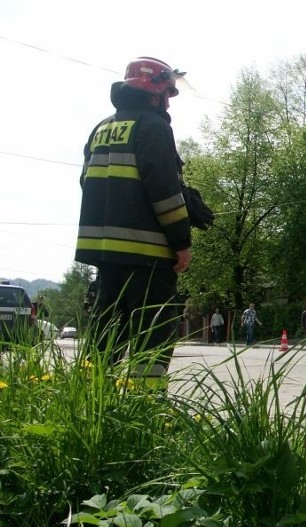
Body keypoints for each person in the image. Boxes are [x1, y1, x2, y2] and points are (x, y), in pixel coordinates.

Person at [76, 57, 199, 385]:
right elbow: (164, 192)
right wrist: (181, 242)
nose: (169, 100)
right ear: (154, 90)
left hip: (105, 256)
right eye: (167, 93)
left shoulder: (102, 128)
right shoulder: (154, 127)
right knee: (153, 333)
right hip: (148, 257)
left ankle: (93, 405)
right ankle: (146, 406)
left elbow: (86, 181)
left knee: (105, 333)